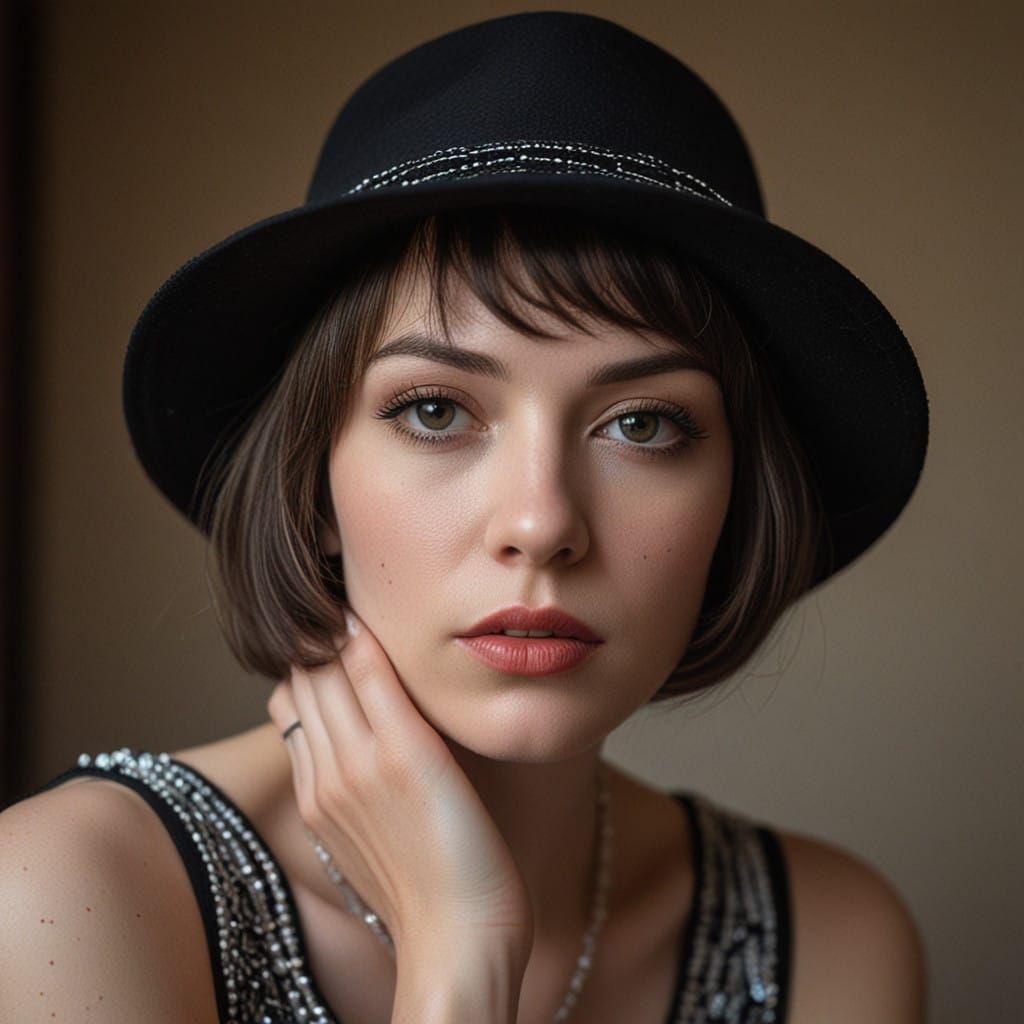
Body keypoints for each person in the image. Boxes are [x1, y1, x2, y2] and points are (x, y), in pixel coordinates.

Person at [0, 11, 928, 1024]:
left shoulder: (832, 942)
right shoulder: (65, 896)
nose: (539, 524)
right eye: (435, 410)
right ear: (312, 486)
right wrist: (461, 951)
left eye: (643, 424)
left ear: (738, 498)